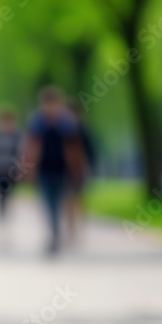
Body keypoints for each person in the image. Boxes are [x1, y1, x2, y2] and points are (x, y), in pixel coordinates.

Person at [23, 86, 85, 255]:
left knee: (59, 201)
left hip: (61, 169)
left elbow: (73, 147)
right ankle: (54, 234)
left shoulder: (66, 122)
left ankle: (56, 233)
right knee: (47, 202)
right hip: (44, 169)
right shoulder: (37, 121)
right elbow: (31, 146)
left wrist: (76, 168)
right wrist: (28, 168)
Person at [65, 99, 95, 242]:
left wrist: (89, 166)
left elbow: (90, 150)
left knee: (77, 197)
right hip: (65, 169)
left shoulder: (82, 129)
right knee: (68, 198)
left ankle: (78, 225)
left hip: (79, 169)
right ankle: (71, 227)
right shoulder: (62, 128)